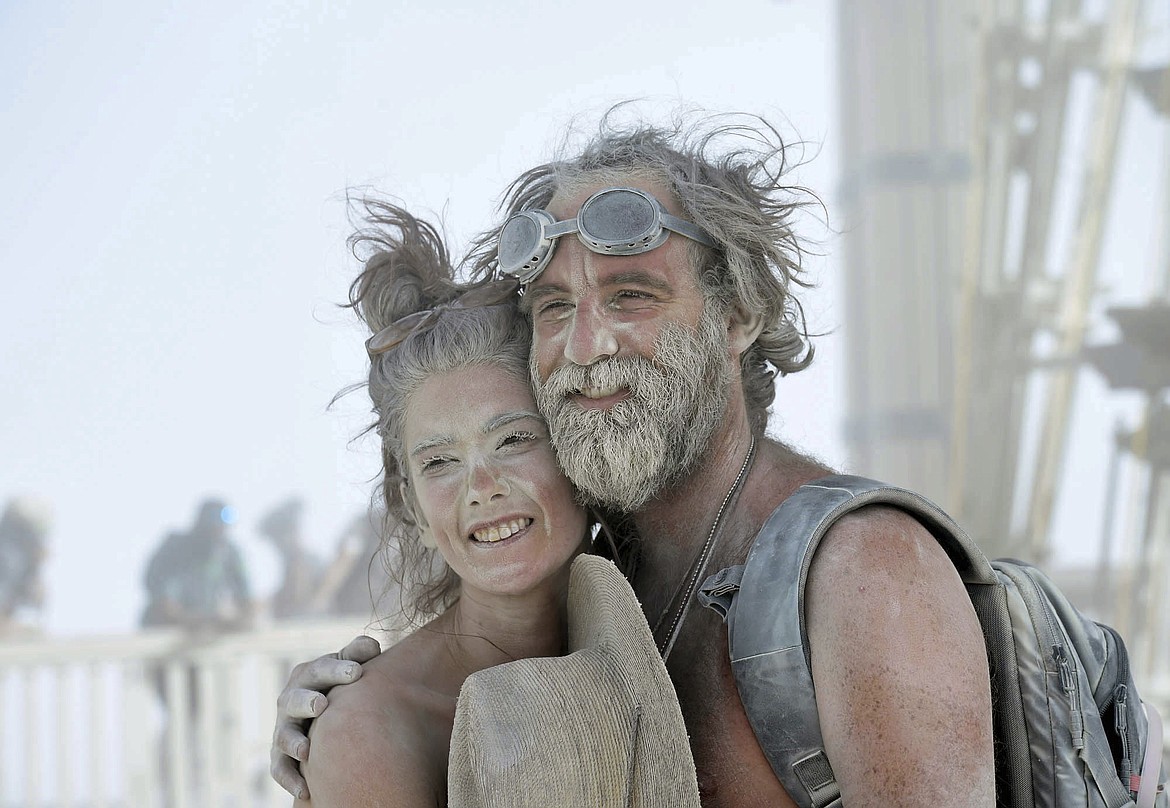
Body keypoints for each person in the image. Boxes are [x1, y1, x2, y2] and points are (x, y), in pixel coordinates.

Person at [271, 111, 996, 807]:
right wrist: (348, 731)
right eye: (555, 307)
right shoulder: (600, 573)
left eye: (631, 295)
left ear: (738, 313)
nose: (586, 348)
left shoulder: (860, 574)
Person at [297, 200, 699, 806]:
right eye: (439, 463)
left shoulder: (673, 641)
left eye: (513, 440)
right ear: (412, 507)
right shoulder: (373, 728)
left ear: (575, 449)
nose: (481, 486)